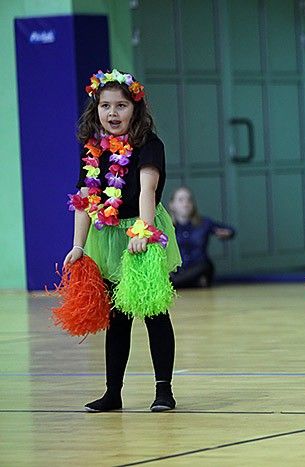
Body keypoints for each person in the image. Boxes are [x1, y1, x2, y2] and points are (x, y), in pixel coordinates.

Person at [63, 69, 181, 412]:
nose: (112, 113)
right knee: (117, 317)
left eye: (121, 105)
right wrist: (78, 246)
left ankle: (164, 392)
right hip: (107, 235)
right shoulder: (92, 150)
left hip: (142, 230)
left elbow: (147, 190)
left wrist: (143, 230)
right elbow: (84, 200)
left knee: (153, 312)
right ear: (96, 109)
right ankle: (112, 393)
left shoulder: (149, 144)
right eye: (105, 106)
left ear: (135, 108)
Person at [169, 186, 235, 288]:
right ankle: (183, 282)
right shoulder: (168, 227)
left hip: (199, 267)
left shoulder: (204, 223)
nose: (185, 203)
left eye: (189, 200)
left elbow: (230, 230)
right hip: (178, 269)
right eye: (181, 200)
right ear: (172, 205)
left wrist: (226, 233)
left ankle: (175, 283)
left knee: (205, 265)